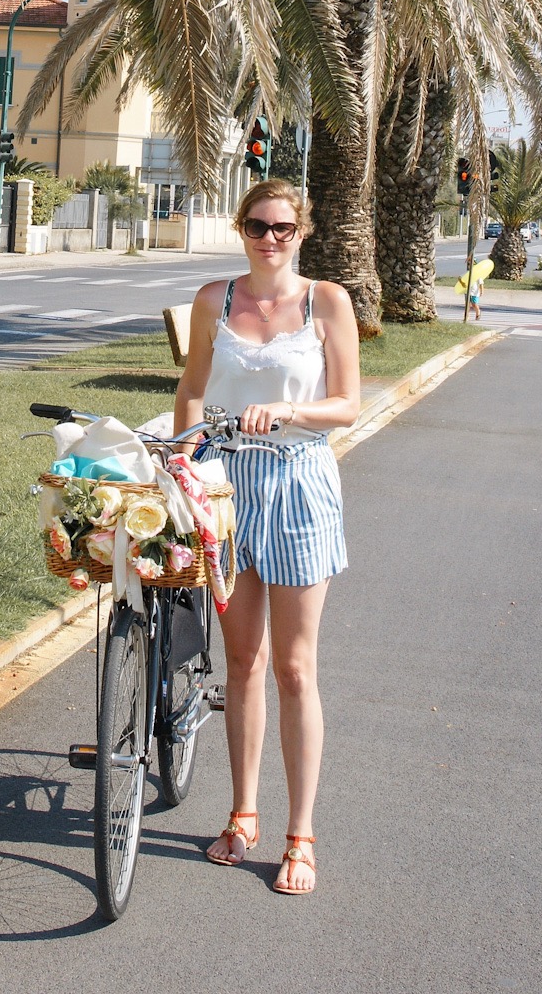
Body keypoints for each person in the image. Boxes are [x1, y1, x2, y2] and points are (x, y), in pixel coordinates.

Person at [172, 178, 361, 895]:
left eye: (283, 227)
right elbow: (192, 387)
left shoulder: (326, 303)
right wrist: (183, 453)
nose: (270, 238)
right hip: (223, 486)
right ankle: (243, 813)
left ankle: (301, 835)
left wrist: (287, 411)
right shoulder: (213, 301)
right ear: (240, 227)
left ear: (302, 231)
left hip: (297, 485)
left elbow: (346, 403)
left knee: (295, 668)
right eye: (257, 225)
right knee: (242, 662)